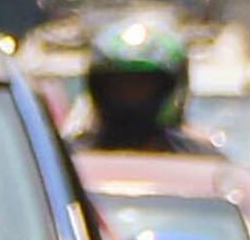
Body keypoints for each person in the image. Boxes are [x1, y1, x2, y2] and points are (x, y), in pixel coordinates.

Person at [80, 11, 212, 157]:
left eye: (140, 85)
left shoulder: (200, 160)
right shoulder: (73, 157)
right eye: (119, 85)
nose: (128, 95)